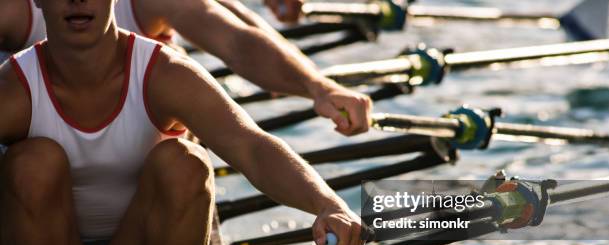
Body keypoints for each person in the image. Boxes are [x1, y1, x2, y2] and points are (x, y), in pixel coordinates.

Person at [0, 0, 367, 245]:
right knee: (32, 165)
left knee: (186, 164)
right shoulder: (12, 89)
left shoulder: (166, 75)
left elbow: (252, 147)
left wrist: (327, 203)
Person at [0, 0, 371, 137]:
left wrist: (319, 87)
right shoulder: (14, 12)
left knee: (184, 164)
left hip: (149, 168)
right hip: (34, 169)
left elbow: (236, 40)